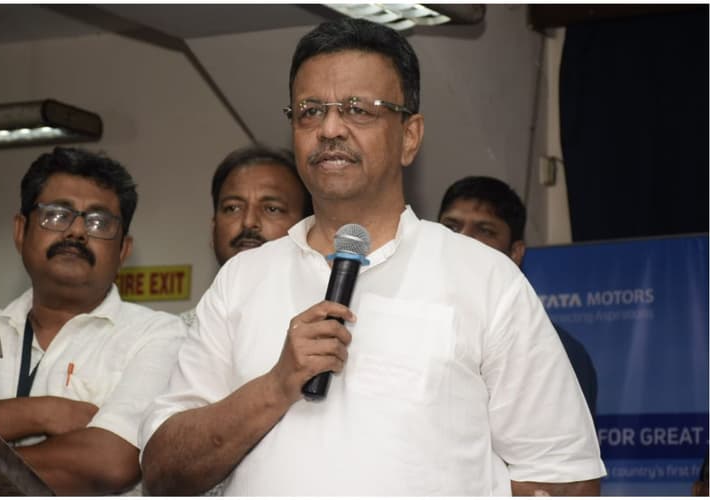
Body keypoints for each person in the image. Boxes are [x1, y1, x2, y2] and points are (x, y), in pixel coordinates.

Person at [139, 18, 606, 496]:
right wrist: (276, 385)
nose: (329, 129)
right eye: (310, 111)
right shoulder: (241, 279)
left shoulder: (485, 278)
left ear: (410, 136)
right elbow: (162, 471)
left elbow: (562, 478)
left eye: (358, 110)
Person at [0, 147, 187, 495]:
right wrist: (42, 413)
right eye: (57, 215)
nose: (76, 232)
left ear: (123, 251)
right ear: (21, 231)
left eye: (99, 222)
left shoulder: (158, 335)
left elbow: (109, 463)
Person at [437, 175, 599, 420]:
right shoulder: (404, 322)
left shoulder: (554, 351)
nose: (463, 239)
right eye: (451, 227)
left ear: (515, 253)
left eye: (484, 230)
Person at [180, 143, 312, 328]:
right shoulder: (181, 333)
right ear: (213, 228)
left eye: (271, 209)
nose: (248, 222)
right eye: (233, 208)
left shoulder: (326, 326)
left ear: (308, 230)